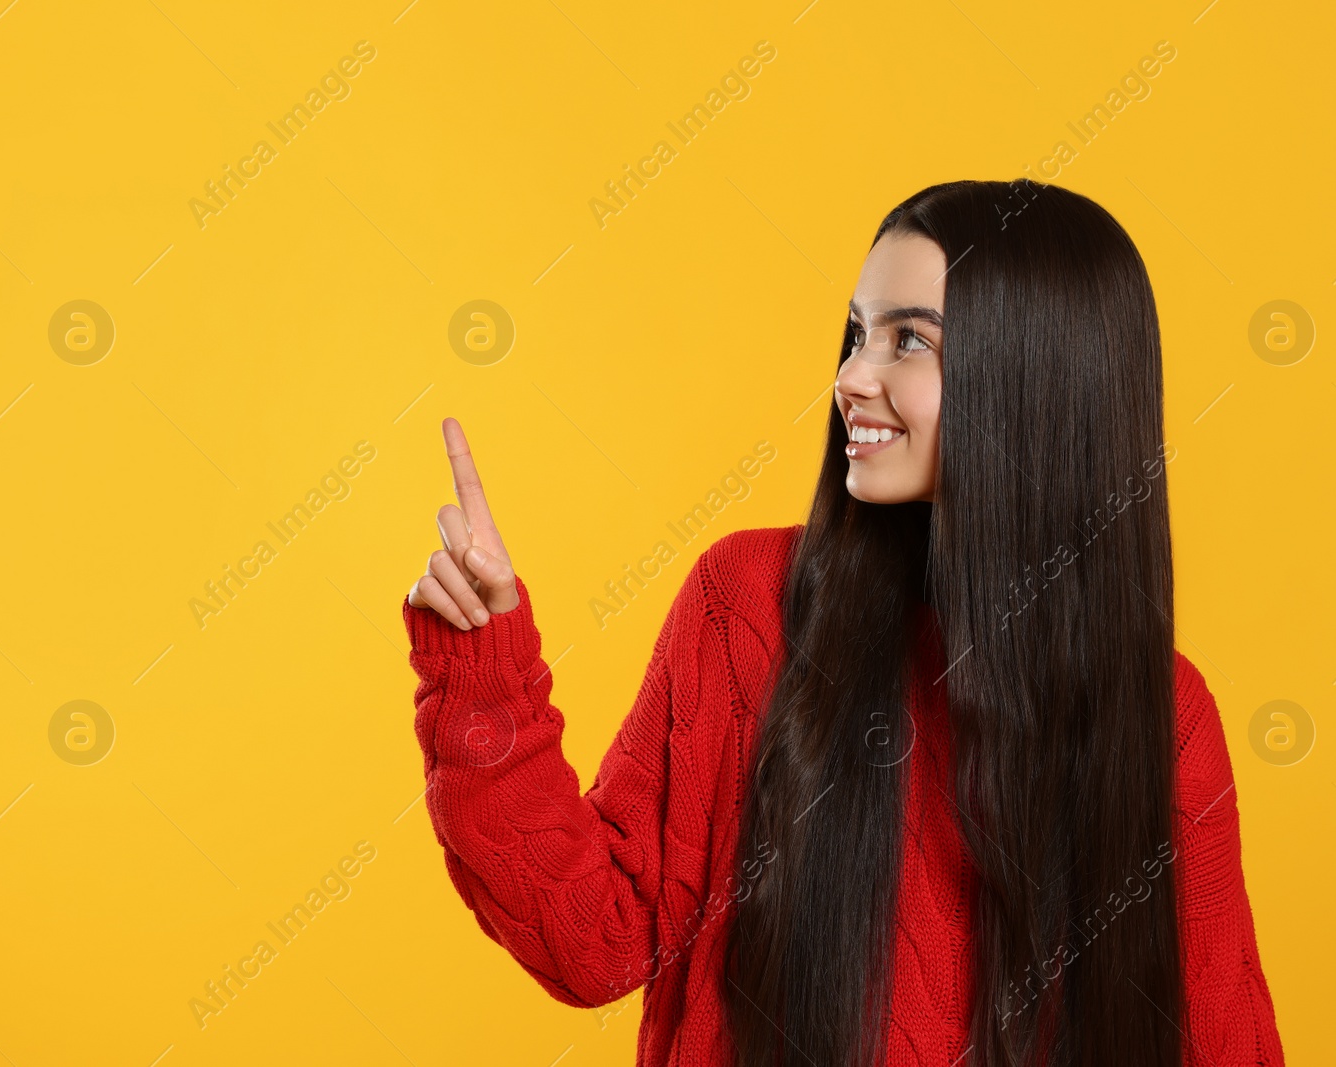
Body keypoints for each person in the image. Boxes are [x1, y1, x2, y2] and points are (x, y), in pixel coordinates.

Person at [402, 179, 1286, 1066]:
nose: (852, 377)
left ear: (1037, 382)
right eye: (859, 334)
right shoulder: (747, 607)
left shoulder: (1163, 718)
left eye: (909, 340)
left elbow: (1218, 1041)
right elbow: (596, 939)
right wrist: (484, 669)